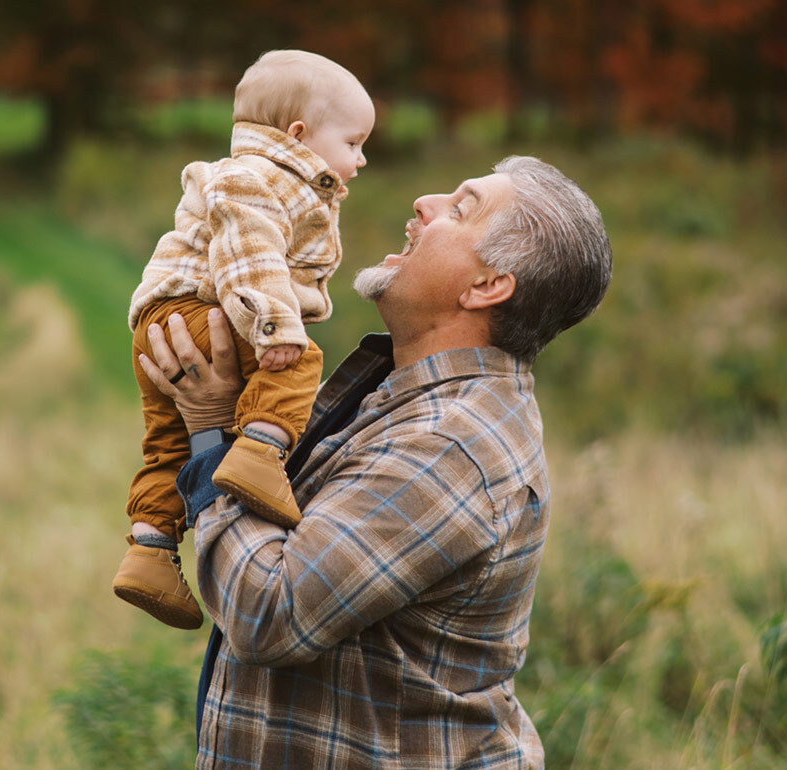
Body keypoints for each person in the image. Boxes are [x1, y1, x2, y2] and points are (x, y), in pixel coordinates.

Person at [139, 155, 612, 768]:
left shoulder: (449, 445)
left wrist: (209, 434)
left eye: (461, 208)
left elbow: (268, 611)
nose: (425, 201)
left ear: (486, 287)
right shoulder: (408, 396)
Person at [112, 50, 375, 630]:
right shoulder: (259, 178)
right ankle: (259, 455)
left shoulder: (254, 175)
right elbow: (247, 253)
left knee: (167, 445)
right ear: (300, 135)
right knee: (299, 362)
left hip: (161, 327)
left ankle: (149, 550)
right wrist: (276, 326)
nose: (360, 159)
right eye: (353, 143)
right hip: (208, 313)